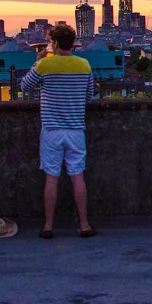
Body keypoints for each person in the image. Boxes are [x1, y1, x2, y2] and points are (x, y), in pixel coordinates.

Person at [21, 25, 96, 239]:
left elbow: (25, 86)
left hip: (52, 129)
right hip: (75, 129)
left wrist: (39, 60)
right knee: (78, 177)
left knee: (51, 178)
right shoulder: (84, 65)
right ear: (73, 42)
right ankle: (84, 225)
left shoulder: (45, 64)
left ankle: (48, 226)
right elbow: (89, 95)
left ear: (53, 43)